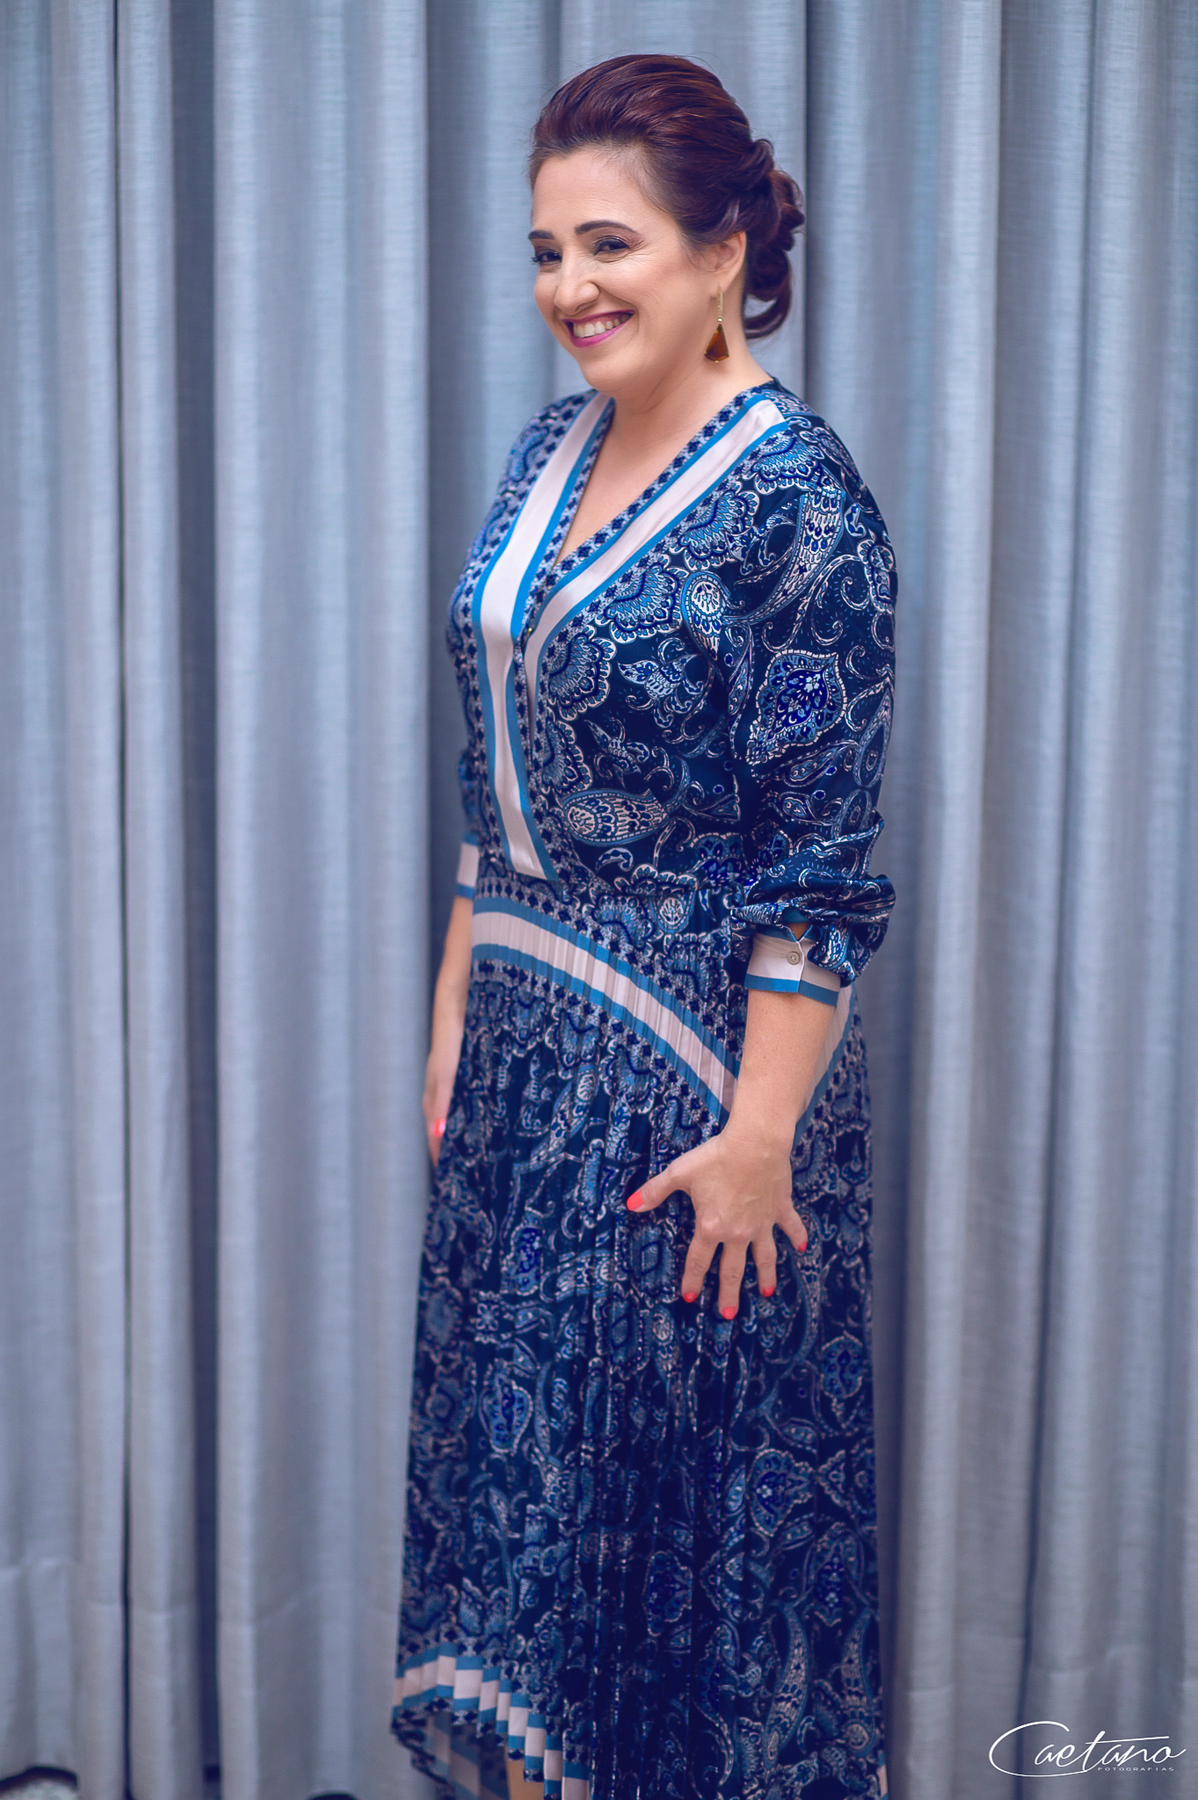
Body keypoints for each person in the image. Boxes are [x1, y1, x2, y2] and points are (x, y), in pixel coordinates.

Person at [393, 53, 895, 1800]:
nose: (569, 288)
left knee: (635, 1566)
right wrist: (458, 1007)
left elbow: (822, 869)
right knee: (518, 1559)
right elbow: (493, 763)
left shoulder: (801, 505)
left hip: (687, 1097)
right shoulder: (553, 446)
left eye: (607, 245)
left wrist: (759, 1144)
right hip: (523, 1071)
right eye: (545, 251)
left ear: (724, 248)